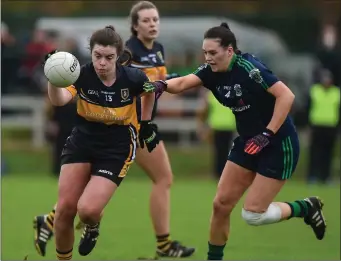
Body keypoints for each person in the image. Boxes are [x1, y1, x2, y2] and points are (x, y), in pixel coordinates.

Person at [143, 22, 327, 260]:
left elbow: (286, 96)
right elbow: (182, 83)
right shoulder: (211, 71)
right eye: (205, 53)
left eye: (213, 53)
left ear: (229, 51)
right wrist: (159, 85)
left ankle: (305, 207)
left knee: (253, 215)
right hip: (249, 143)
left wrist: (267, 134)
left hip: (278, 144)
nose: (207, 58)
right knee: (220, 205)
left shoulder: (251, 68)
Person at [36, 25, 159, 260]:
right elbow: (60, 100)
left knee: (88, 210)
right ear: (91, 53)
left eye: (109, 58)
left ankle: (92, 226)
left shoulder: (133, 78)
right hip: (83, 139)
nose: (102, 63)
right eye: (97, 56)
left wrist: (146, 123)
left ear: (118, 57)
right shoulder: (81, 75)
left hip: (117, 145)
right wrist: (53, 78)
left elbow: (150, 92)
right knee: (64, 211)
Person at [120, 1, 194, 258]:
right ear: (134, 26)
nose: (153, 24)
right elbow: (124, 87)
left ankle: (51, 220)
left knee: (162, 178)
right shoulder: (128, 52)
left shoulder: (159, 49)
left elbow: (159, 86)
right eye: (146, 20)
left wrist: (177, 82)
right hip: (128, 126)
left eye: (155, 20)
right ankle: (53, 219)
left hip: (143, 124)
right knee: (100, 184)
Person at [306, 69, 340, 184]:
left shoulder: (336, 92)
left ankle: (326, 177)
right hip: (316, 125)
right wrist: (307, 126)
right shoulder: (314, 90)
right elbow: (307, 108)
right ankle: (312, 176)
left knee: (328, 154)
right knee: (315, 153)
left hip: (331, 126)